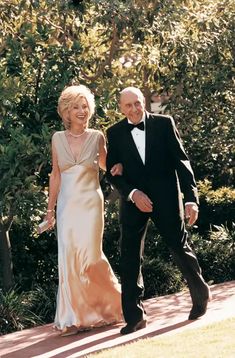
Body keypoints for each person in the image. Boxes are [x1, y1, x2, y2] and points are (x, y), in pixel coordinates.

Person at [106, 86, 211, 335]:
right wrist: (132, 193)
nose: (133, 109)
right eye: (128, 105)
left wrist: (191, 199)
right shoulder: (115, 133)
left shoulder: (164, 124)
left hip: (166, 198)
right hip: (134, 202)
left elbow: (182, 162)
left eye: (137, 103)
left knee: (178, 246)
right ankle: (134, 316)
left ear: (143, 102)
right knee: (129, 255)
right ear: (121, 108)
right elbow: (112, 173)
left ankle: (200, 295)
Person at [45, 84, 123, 336]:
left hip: (91, 205)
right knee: (68, 258)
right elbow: (55, 176)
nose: (82, 111)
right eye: (76, 107)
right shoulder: (57, 139)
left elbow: (107, 166)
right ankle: (72, 318)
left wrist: (120, 167)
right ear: (66, 112)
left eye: (85, 106)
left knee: (91, 257)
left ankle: (114, 304)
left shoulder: (97, 137)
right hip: (67, 206)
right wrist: (50, 211)